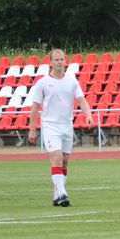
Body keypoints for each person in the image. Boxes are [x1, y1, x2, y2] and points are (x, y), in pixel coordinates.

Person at [28, 49, 94, 207]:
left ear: (65, 61)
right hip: (51, 126)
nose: (59, 62)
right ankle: (63, 193)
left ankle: (57, 196)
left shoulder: (71, 81)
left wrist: (89, 115)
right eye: (56, 60)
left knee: (64, 162)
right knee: (56, 159)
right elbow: (35, 107)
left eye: (61, 59)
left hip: (67, 126)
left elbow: (81, 100)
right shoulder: (43, 83)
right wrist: (32, 128)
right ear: (50, 62)